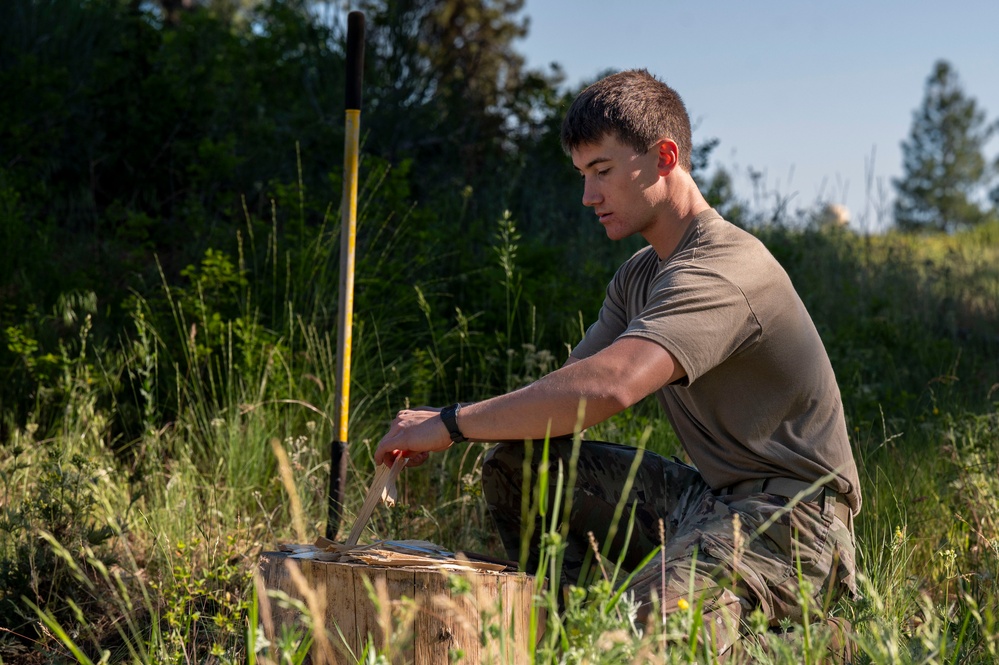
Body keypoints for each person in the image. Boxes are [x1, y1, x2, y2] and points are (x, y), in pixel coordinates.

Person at [374, 69, 860, 654]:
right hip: (707, 500)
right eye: (582, 176)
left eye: (601, 171)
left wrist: (452, 423)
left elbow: (610, 387)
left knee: (635, 635)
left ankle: (812, 645)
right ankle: (564, 633)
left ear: (664, 157)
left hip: (791, 523)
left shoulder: (725, 269)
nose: (588, 196)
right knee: (519, 468)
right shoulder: (641, 273)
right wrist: (447, 428)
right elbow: (564, 392)